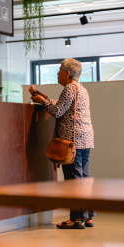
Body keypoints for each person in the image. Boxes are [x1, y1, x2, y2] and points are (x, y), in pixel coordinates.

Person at [30, 58, 95, 230]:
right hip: (85, 140)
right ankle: (87, 216)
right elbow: (63, 106)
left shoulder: (68, 88)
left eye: (59, 70)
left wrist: (42, 101)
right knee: (83, 178)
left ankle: (76, 219)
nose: (57, 73)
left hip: (71, 143)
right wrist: (45, 98)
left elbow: (58, 111)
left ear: (67, 73)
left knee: (73, 181)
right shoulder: (81, 88)